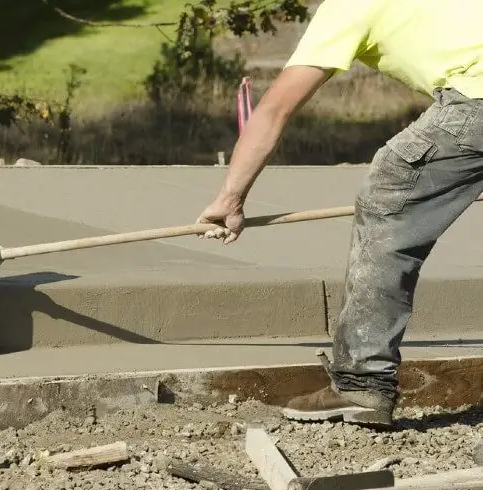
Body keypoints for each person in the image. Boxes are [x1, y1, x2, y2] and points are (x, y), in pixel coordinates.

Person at [197, 0, 483, 428]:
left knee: (392, 193)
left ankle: (362, 380)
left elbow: (275, 109)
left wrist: (230, 197)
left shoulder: (348, 6)